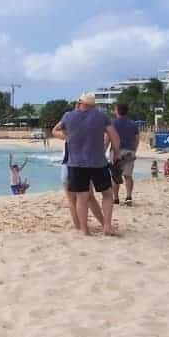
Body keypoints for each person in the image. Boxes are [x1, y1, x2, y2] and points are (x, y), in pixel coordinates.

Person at [52, 92, 120, 236]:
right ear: (93, 105)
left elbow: (54, 131)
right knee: (107, 194)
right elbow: (114, 137)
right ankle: (107, 226)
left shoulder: (68, 116)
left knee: (81, 198)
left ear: (79, 103)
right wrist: (116, 154)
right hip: (98, 162)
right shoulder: (101, 116)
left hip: (75, 164)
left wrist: (68, 137)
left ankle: (85, 230)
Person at [61, 141, 103, 231]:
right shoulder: (88, 133)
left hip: (70, 165)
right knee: (89, 197)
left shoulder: (70, 133)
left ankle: (80, 227)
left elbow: (55, 131)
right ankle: (103, 223)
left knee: (73, 200)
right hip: (84, 165)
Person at [111, 104, 139, 206]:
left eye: (115, 109)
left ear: (117, 111)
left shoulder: (113, 123)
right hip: (129, 151)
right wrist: (134, 150)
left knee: (115, 176)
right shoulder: (133, 124)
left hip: (117, 151)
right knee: (128, 175)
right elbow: (137, 139)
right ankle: (128, 197)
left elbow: (108, 137)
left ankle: (116, 198)